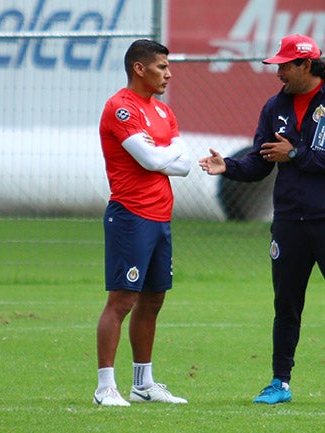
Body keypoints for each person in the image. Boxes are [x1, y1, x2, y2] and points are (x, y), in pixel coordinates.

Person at [198, 34, 325, 406]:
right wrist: (229, 167)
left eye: (285, 65)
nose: (278, 73)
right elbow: (260, 162)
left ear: (306, 65)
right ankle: (279, 383)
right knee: (286, 305)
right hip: (287, 220)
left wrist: (295, 153)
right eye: (277, 65)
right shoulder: (274, 107)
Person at [94, 39, 191, 407]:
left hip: (160, 218)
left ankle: (143, 384)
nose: (168, 74)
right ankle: (105, 387)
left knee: (152, 301)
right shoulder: (121, 108)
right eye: (162, 67)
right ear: (140, 68)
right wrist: (163, 155)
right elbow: (150, 160)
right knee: (122, 300)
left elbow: (182, 164)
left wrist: (161, 155)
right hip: (130, 216)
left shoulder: (164, 113)